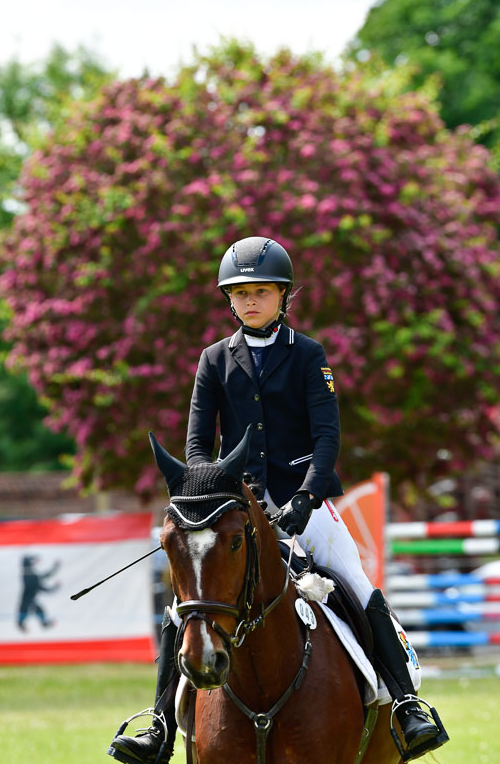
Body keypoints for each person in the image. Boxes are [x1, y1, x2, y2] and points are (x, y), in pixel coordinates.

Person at [108, 236, 448, 764]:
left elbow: (327, 436)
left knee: (357, 586)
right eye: (240, 294)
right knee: (186, 607)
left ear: (283, 296)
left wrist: (307, 497)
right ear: (229, 300)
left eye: (261, 292)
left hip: (303, 502)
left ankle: (405, 704)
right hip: (232, 505)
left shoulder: (308, 354)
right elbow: (197, 444)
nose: (250, 301)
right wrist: (208, 491)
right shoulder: (214, 359)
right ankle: (159, 725)